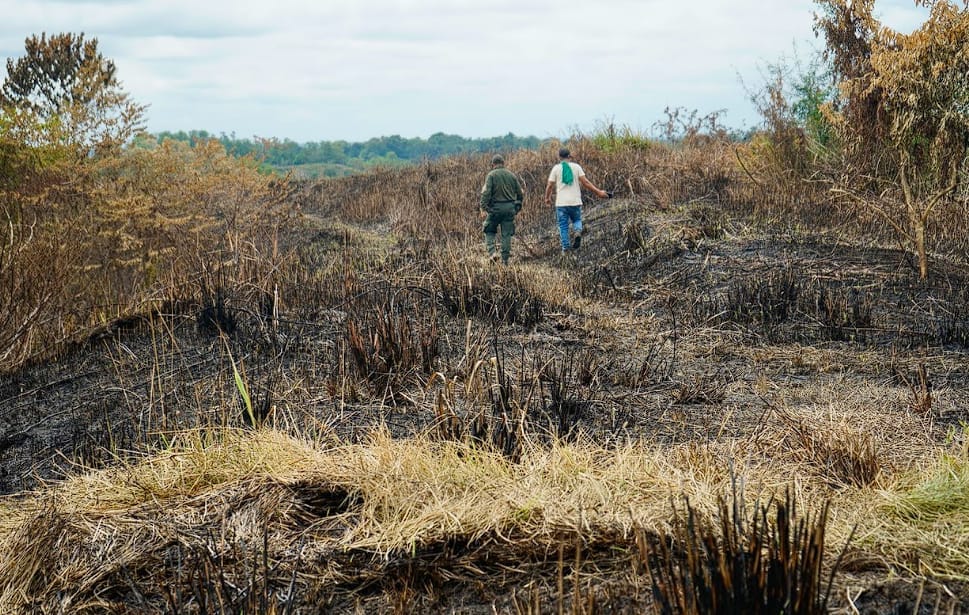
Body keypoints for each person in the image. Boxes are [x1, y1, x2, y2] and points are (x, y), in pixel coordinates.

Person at [544, 147, 609, 253]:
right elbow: (586, 183)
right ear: (569, 156)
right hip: (575, 201)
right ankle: (577, 232)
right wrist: (598, 192)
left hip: (561, 204)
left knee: (563, 226)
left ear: (559, 157)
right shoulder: (576, 167)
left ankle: (566, 249)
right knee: (577, 220)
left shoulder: (556, 169)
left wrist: (547, 198)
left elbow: (550, 185)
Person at [479, 154, 524, 264]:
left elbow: (486, 193)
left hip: (495, 209)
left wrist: (484, 207)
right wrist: (517, 206)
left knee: (489, 230)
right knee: (506, 234)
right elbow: (520, 193)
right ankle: (505, 260)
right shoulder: (512, 175)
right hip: (509, 209)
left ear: (493, 164)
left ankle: (492, 253)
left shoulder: (491, 175)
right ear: (503, 163)